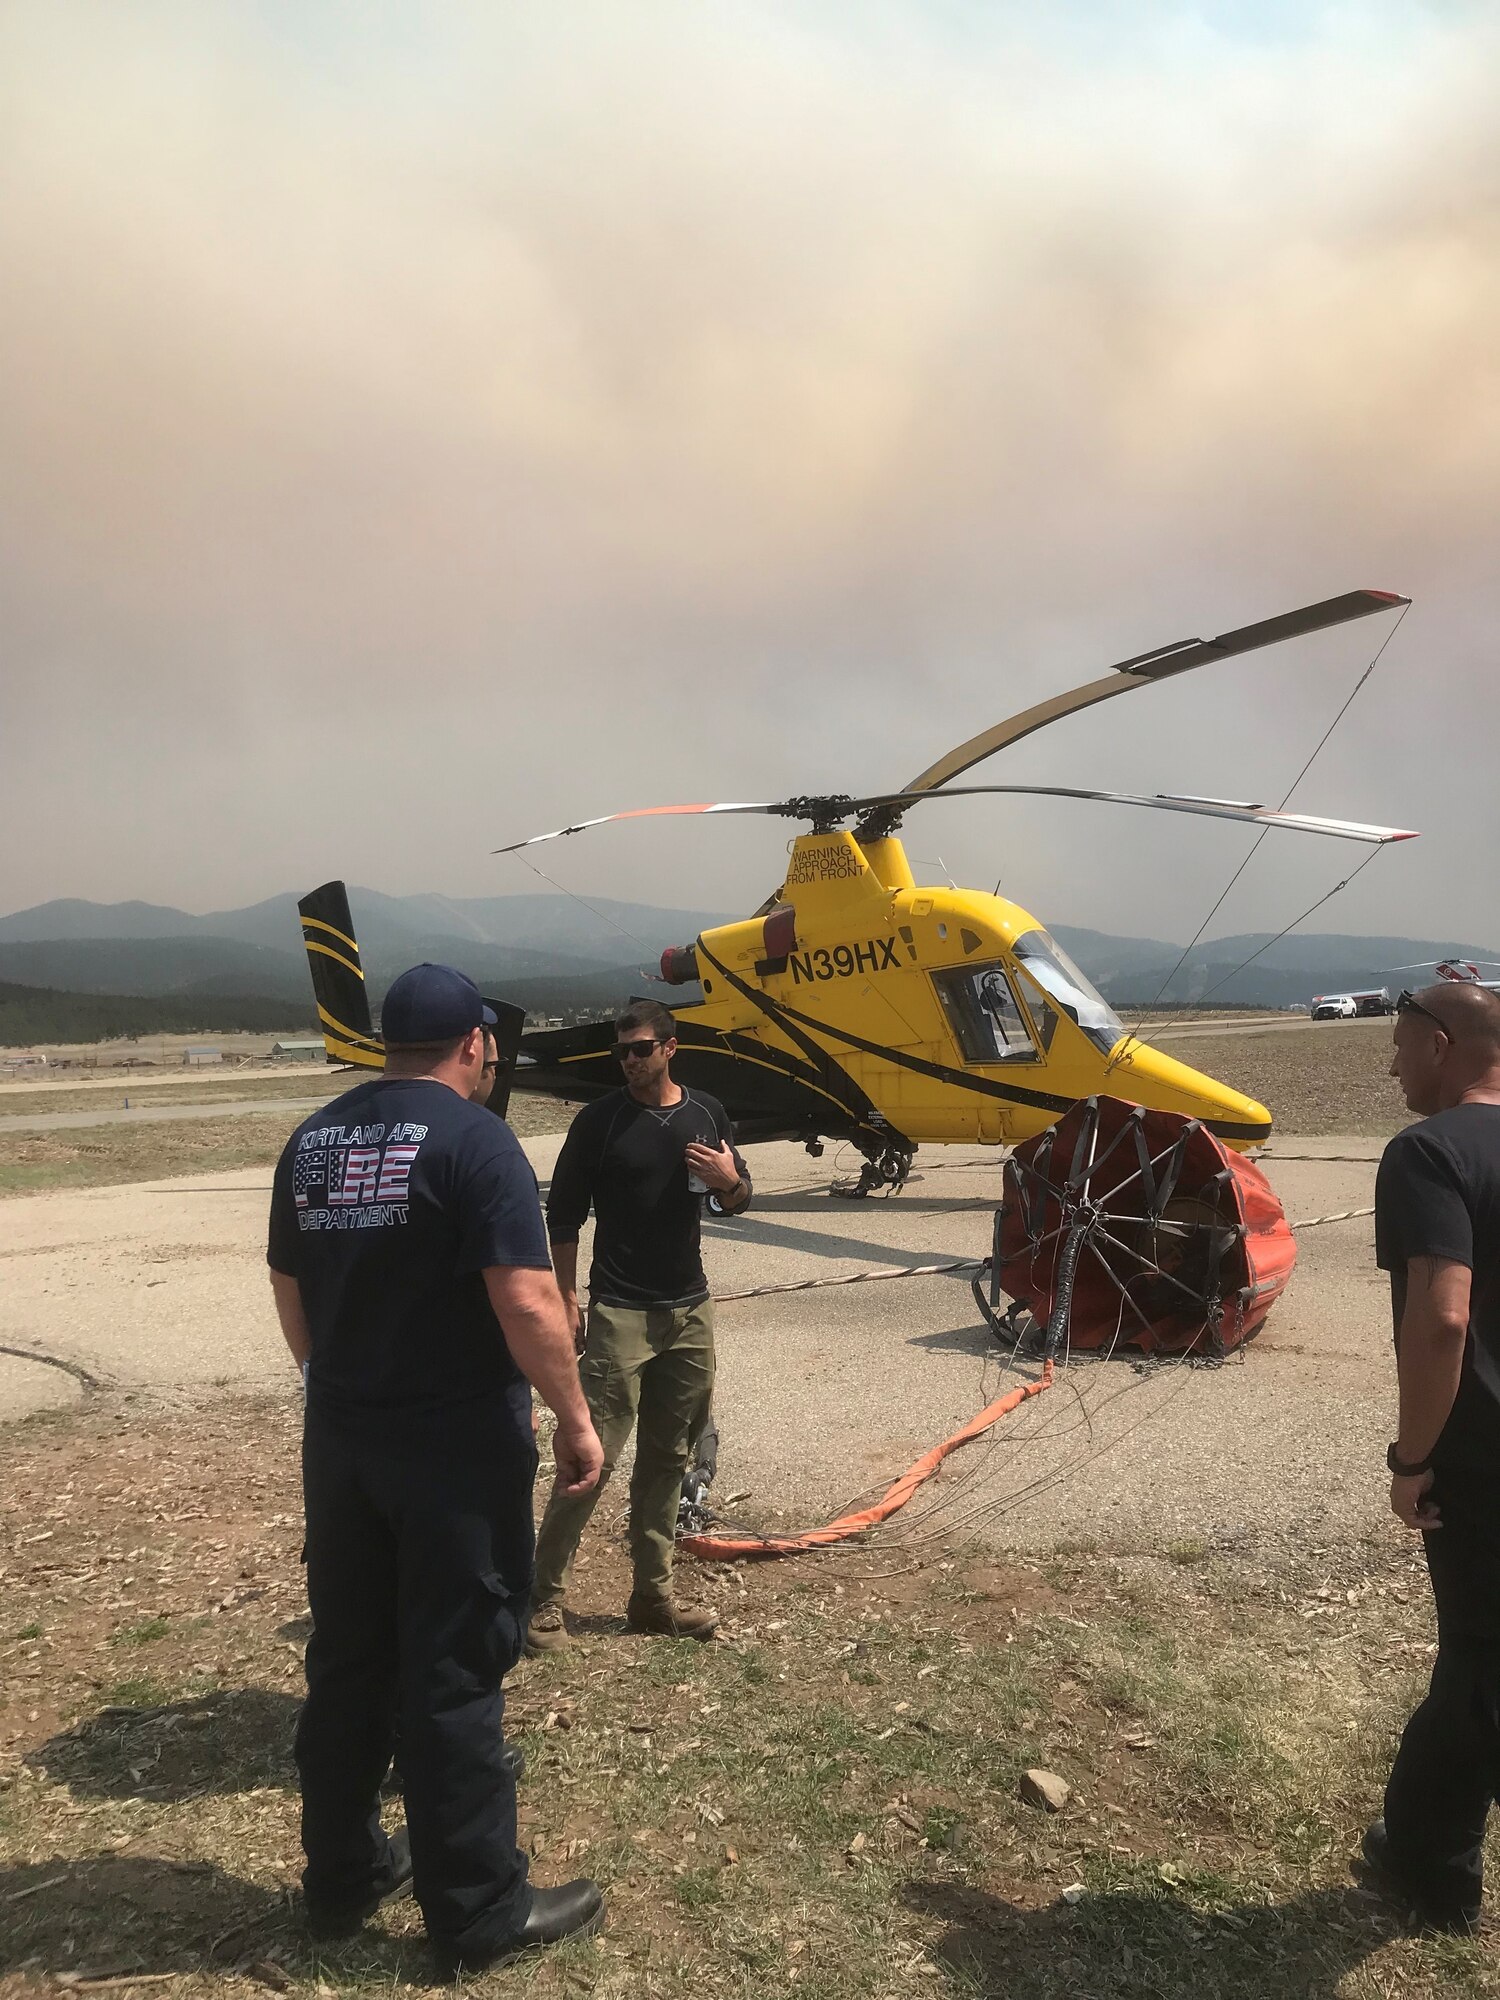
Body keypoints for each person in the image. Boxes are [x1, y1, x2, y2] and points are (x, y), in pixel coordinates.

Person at [267, 961, 606, 1973]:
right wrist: (577, 1419)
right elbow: (531, 1301)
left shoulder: (313, 1138)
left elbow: (291, 1290)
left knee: (350, 1655)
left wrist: (339, 1387)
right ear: (472, 1046)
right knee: (453, 1667)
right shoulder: (476, 1139)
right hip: (453, 1448)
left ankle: (342, 1871)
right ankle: (478, 1909)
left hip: (342, 1440)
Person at [527, 1000, 750, 1648]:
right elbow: (563, 1215)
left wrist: (731, 1181)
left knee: (668, 1459)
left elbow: (736, 1200)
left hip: (689, 1311)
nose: (629, 1060)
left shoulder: (705, 1113)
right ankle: (543, 1603)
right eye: (622, 1050)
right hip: (620, 1313)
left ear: (670, 1048)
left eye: (641, 1048)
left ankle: (652, 1600)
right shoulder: (600, 1123)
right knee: (588, 1457)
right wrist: (567, 1298)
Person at [1361, 981, 1500, 1933]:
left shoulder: (1427, 1151)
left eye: (1404, 1047)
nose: (1394, 1065)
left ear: (1443, 1044)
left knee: (1480, 1666)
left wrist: (1412, 1460)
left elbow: (1442, 1318)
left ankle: (1430, 1868)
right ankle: (1421, 1847)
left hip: (1484, 1459)